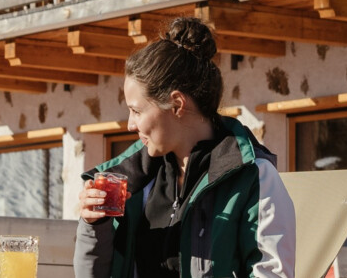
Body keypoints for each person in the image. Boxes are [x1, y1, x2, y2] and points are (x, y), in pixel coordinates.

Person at [75, 17, 295, 278]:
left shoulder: (254, 178)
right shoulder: (132, 181)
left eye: (136, 111)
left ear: (177, 104)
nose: (130, 125)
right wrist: (94, 226)